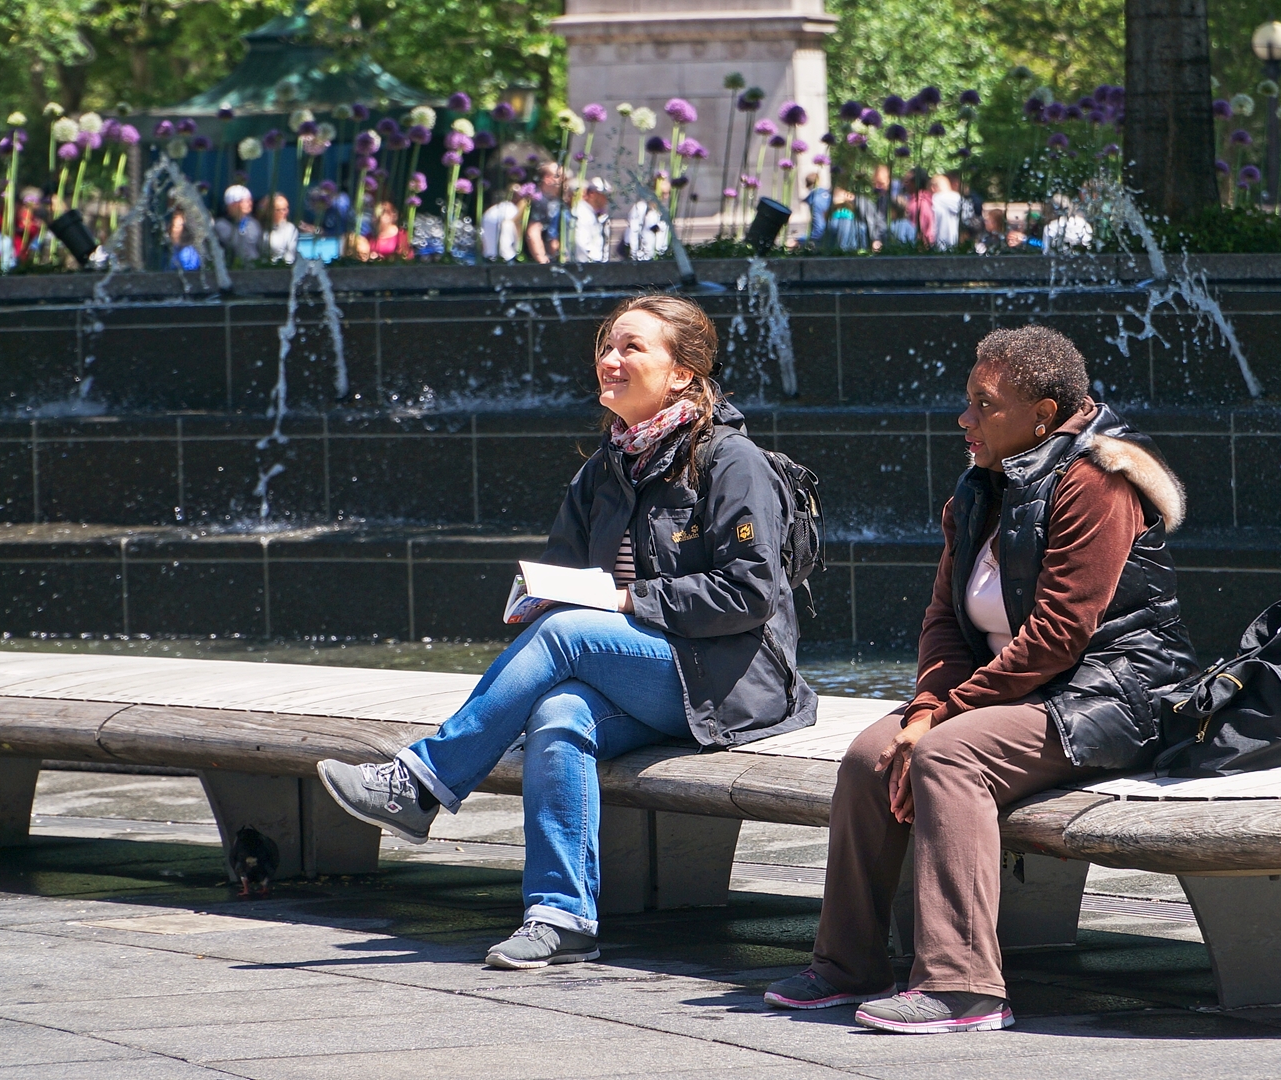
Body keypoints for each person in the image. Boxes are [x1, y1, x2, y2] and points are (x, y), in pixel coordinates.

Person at [318, 294, 817, 969]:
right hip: (644, 677)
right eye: (606, 346)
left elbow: (750, 593)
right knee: (558, 711)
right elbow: (561, 580)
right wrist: (536, 598)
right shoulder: (602, 471)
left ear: (681, 373)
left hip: (727, 680)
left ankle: (421, 783)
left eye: (630, 348)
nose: (608, 360)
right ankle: (561, 916)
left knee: (569, 638)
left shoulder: (732, 463)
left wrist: (621, 600)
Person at [764, 326, 1197, 1033]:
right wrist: (924, 707)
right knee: (866, 757)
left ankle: (964, 986)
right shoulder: (977, 492)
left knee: (946, 757)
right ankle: (848, 965)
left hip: (1107, 696)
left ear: (1043, 415)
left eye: (983, 404)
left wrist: (940, 721)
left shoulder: (1098, 484)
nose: (963, 419)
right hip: (1011, 695)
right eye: (966, 400)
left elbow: (1059, 637)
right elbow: (943, 624)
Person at [624, 174, 672, 261]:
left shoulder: (662, 211)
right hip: (641, 259)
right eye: (664, 193)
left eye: (668, 193)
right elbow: (633, 233)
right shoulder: (641, 208)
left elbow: (662, 242)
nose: (666, 197)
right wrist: (635, 255)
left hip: (655, 259)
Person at [214, 185, 263, 265]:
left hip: (254, 269)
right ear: (232, 204)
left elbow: (260, 248)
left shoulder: (254, 223)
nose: (250, 204)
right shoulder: (220, 226)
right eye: (245, 201)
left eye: (250, 200)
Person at [525, 162, 563, 264]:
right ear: (548, 179)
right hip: (532, 262)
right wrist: (542, 260)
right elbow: (533, 232)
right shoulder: (538, 200)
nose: (564, 180)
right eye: (560, 176)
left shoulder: (554, 201)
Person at [569, 176, 613, 263]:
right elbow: (581, 244)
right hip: (588, 265)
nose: (607, 199)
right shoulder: (582, 213)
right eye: (604, 195)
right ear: (592, 194)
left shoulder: (591, 213)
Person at [482, 185, 523, 261]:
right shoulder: (511, 209)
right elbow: (518, 228)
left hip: (487, 256)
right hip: (506, 257)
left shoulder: (490, 211)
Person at [263, 193, 299, 263]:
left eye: (286, 208)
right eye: (281, 210)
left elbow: (290, 255)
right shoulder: (261, 228)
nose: (285, 212)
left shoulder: (291, 229)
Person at [929, 174, 962, 251]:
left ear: (933, 188)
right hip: (957, 246)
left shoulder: (935, 200)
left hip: (939, 245)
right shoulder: (960, 199)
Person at [803, 171, 831, 246]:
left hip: (824, 240)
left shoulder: (814, 199)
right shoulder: (829, 195)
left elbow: (819, 230)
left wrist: (799, 240)